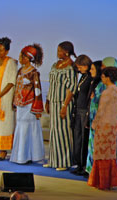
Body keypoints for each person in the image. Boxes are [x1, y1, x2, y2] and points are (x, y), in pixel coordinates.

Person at [86, 57, 117, 177]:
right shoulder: (112, 82)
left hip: (105, 121)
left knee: (105, 149)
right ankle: (101, 173)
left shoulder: (114, 84)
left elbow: (105, 105)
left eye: (104, 65)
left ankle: (103, 175)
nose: (102, 68)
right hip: (107, 120)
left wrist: (96, 121)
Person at [44, 41, 77, 170]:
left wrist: (64, 106)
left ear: (66, 52)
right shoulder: (55, 65)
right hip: (53, 101)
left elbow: (72, 88)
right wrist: (47, 101)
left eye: (60, 50)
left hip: (64, 103)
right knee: (54, 132)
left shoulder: (70, 67)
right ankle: (53, 160)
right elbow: (52, 84)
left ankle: (64, 161)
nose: (57, 53)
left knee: (63, 132)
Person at [10, 44, 45, 164]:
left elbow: (37, 91)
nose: (19, 58)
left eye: (22, 56)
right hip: (20, 105)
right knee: (20, 128)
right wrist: (14, 102)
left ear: (27, 58)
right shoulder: (20, 70)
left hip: (29, 105)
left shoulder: (34, 72)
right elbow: (17, 88)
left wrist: (37, 108)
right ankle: (20, 156)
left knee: (28, 129)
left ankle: (28, 156)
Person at [70, 55, 93, 175]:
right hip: (78, 110)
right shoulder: (83, 77)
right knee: (77, 138)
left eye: (80, 66)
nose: (78, 69)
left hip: (85, 111)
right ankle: (78, 164)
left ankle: (84, 165)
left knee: (84, 139)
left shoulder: (90, 78)